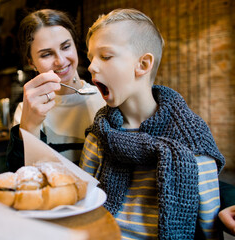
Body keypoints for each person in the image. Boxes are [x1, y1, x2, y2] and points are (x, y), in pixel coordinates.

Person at [80, 8, 226, 239]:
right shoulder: (99, 135)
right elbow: (82, 207)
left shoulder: (193, 139)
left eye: (106, 56)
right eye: (91, 58)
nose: (91, 66)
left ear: (143, 64)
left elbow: (210, 227)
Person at [6, 9, 105, 171]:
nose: (60, 61)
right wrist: (30, 126)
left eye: (66, 47)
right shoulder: (26, 110)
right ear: (31, 63)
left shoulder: (104, 97)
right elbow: (22, 175)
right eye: (46, 54)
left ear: (75, 45)